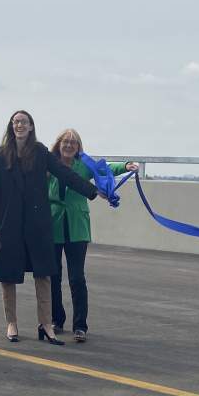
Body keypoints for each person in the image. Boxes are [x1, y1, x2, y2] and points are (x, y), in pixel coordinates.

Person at [0, 110, 97, 346]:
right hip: (10, 222)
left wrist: (94, 191)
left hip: (38, 222)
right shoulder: (1, 155)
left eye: (24, 122)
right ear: (11, 126)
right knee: (8, 274)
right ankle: (12, 323)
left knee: (43, 274)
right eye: (16, 122)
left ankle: (47, 325)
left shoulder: (40, 152)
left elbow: (65, 173)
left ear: (31, 126)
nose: (20, 125)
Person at [48, 129, 140, 342]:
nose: (69, 145)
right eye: (66, 142)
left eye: (74, 142)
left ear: (78, 147)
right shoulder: (49, 164)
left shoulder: (83, 165)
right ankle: (56, 319)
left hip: (77, 226)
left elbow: (104, 169)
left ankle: (80, 325)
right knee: (53, 276)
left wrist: (126, 166)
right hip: (53, 224)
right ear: (59, 144)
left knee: (77, 277)